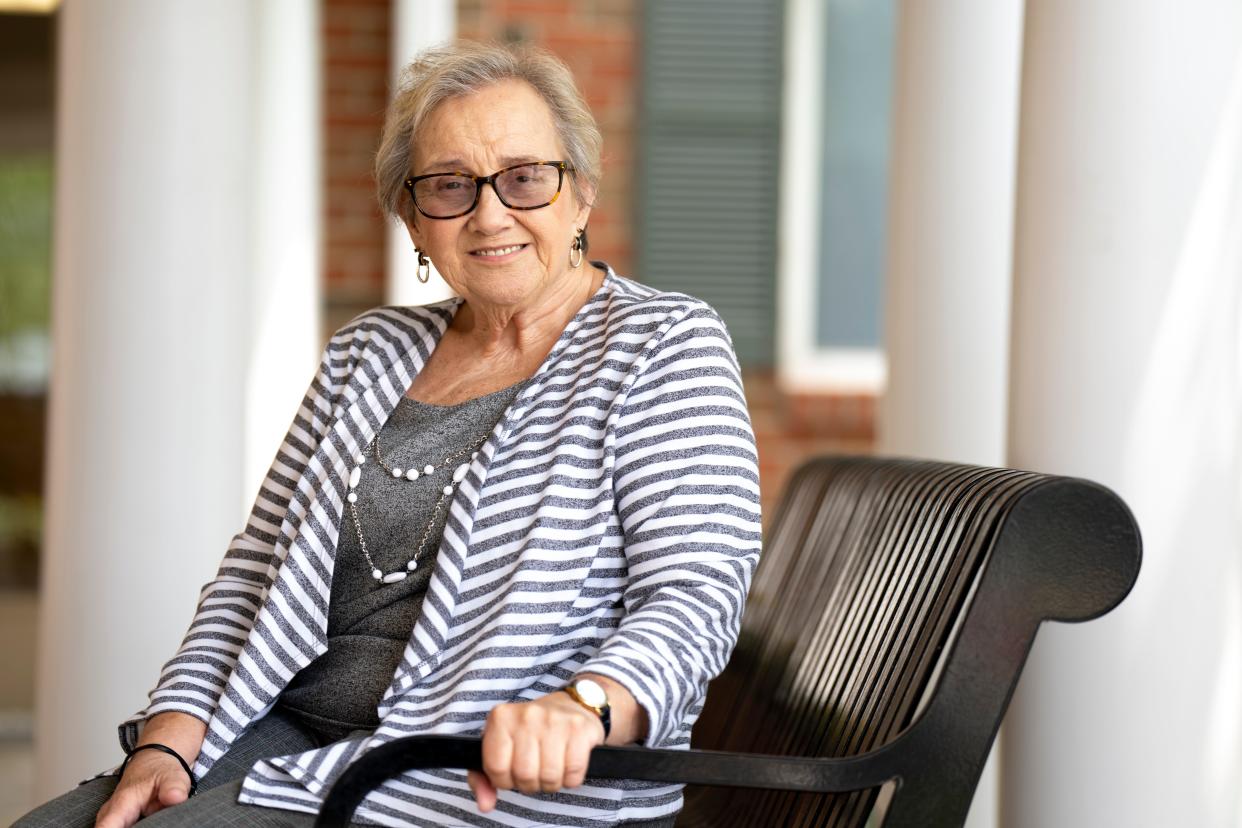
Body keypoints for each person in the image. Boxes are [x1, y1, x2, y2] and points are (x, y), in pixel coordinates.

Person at [17, 40, 761, 828]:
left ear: (580, 194)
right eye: (449, 186)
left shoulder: (663, 344)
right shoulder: (367, 353)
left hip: (466, 779)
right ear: (413, 218)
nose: (490, 213)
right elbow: (252, 570)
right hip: (286, 738)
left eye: (524, 178)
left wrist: (586, 705)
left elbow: (696, 594)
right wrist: (170, 734)